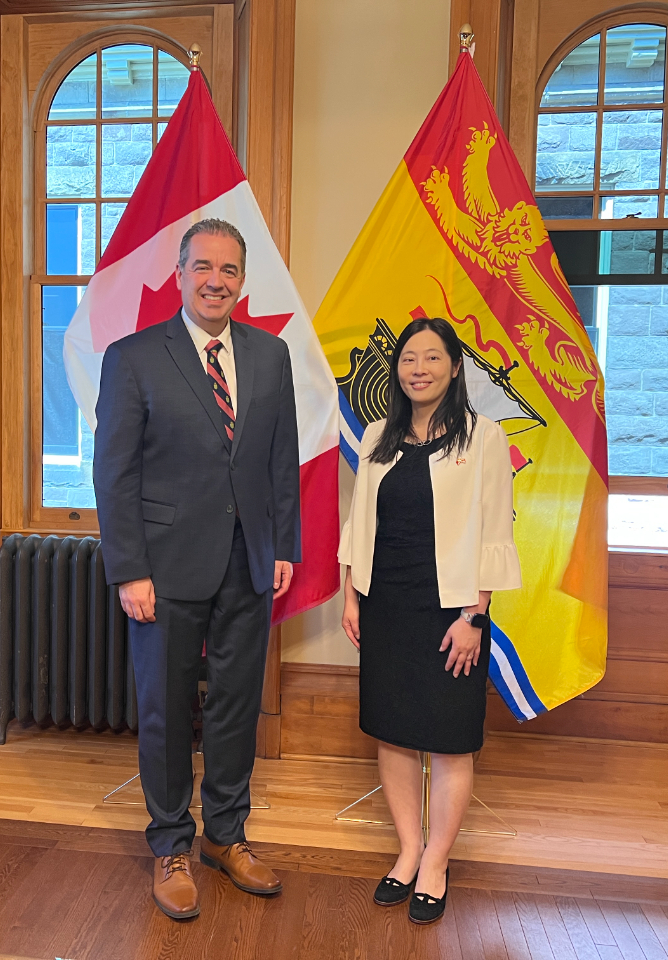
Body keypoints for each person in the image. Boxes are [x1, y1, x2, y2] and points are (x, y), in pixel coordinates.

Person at [93, 218, 301, 921]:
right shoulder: (133, 357)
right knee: (165, 708)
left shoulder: (271, 355)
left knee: (237, 706)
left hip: (249, 563)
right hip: (163, 568)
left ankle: (226, 836)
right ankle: (171, 844)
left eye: (229, 269)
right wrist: (129, 569)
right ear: (180, 275)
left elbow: (280, 460)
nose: (216, 280)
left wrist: (282, 545)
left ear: (243, 280)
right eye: (203, 267)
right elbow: (113, 473)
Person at [338, 316, 521, 925]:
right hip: (385, 602)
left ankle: (437, 862)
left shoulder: (483, 436)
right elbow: (360, 522)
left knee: (448, 738)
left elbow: (495, 528)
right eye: (409, 358)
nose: (419, 368)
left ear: (454, 366)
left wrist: (476, 616)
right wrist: (351, 597)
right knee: (392, 731)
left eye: (432, 357)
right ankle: (408, 850)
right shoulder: (377, 436)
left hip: (452, 609)